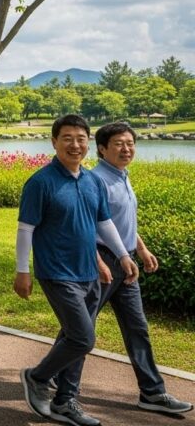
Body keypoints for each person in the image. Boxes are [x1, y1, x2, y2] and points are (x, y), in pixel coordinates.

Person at [16, 114, 139, 425]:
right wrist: (22, 271)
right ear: (54, 142)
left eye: (80, 138)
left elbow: (103, 223)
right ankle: (37, 376)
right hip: (57, 273)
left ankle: (65, 401)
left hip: (89, 272)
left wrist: (122, 256)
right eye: (67, 138)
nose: (75, 144)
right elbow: (25, 229)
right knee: (83, 338)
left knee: (76, 338)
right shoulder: (41, 182)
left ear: (88, 143)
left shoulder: (91, 180)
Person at [66, 122, 191, 414]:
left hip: (125, 262)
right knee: (80, 331)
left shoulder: (122, 176)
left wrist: (141, 248)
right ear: (101, 149)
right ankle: (62, 388)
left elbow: (120, 224)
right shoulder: (94, 180)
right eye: (119, 144)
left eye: (130, 143)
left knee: (137, 328)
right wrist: (98, 261)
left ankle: (152, 392)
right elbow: (88, 228)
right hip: (100, 262)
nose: (127, 149)